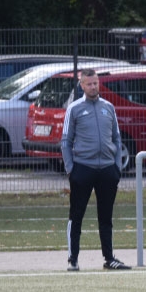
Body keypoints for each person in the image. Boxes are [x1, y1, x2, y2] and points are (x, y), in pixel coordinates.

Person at [61, 68, 130, 271]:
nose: (93, 87)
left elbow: (117, 138)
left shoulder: (108, 107)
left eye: (95, 83)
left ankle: (109, 259)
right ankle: (73, 259)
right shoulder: (74, 109)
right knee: (76, 216)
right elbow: (66, 141)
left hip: (107, 170)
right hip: (82, 169)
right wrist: (71, 170)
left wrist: (116, 168)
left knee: (106, 217)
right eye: (89, 84)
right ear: (82, 85)